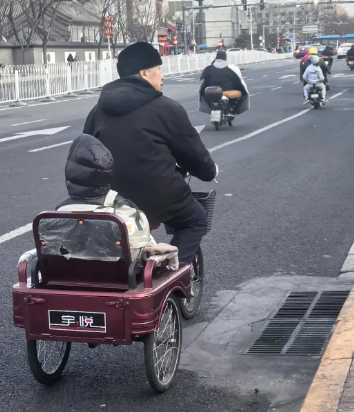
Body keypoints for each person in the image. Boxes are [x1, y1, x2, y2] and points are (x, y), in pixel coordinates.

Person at [83, 41, 217, 264]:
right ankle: (170, 273)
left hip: (107, 197)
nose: (162, 77)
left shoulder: (98, 110)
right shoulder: (167, 108)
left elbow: (86, 151)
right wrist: (209, 171)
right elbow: (194, 155)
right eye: (159, 70)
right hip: (157, 195)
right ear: (145, 73)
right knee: (196, 220)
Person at [199, 49, 249, 115]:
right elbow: (237, 81)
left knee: (204, 95)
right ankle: (231, 110)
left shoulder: (208, 69)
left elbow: (205, 80)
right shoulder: (230, 70)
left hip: (210, 92)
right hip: (225, 92)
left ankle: (211, 108)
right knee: (239, 93)